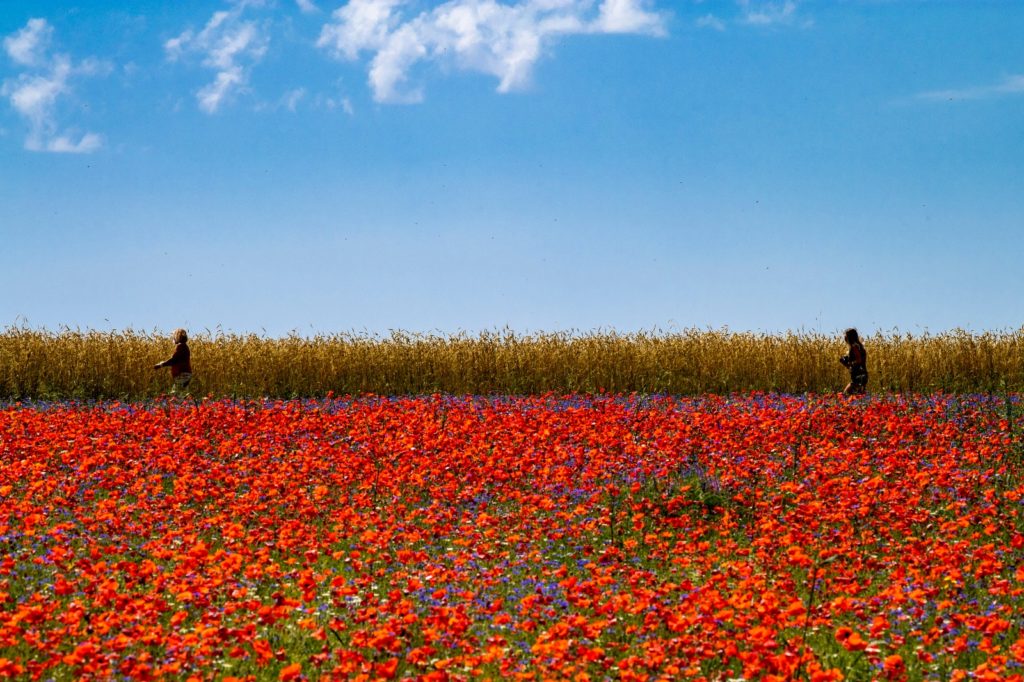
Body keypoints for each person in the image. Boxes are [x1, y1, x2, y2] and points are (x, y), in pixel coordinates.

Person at [154, 328, 192, 393]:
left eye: (174, 336)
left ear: (177, 337)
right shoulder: (185, 346)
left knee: (176, 395)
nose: (173, 339)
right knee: (182, 394)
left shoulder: (180, 346)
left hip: (181, 374)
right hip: (186, 373)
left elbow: (174, 360)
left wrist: (161, 365)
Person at [839, 328, 867, 395]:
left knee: (845, 395)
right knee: (859, 397)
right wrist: (847, 363)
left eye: (845, 336)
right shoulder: (859, 346)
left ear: (849, 337)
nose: (844, 338)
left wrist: (848, 363)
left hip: (858, 376)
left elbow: (858, 360)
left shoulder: (854, 346)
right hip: (862, 375)